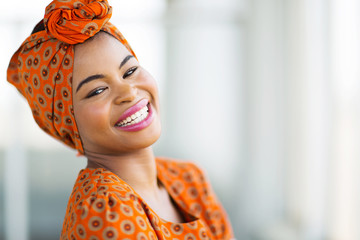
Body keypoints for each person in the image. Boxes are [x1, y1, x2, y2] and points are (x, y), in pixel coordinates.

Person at [7, 0, 235, 239]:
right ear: (67, 122)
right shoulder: (104, 207)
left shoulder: (188, 178)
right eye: (97, 90)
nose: (128, 92)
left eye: (130, 71)